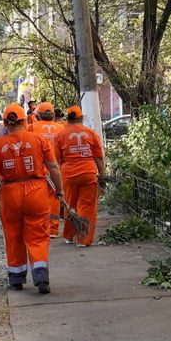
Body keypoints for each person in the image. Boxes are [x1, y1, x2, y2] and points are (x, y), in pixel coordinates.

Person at [0, 103, 63, 293]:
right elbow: (53, 168)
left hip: (10, 194)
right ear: (25, 121)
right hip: (36, 191)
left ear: (5, 123)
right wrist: (59, 190)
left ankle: (16, 279)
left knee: (13, 235)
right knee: (38, 236)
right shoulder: (38, 140)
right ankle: (41, 278)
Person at [57, 106, 107, 247]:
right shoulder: (90, 133)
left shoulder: (60, 135)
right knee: (87, 207)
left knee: (70, 205)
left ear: (68, 118)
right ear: (81, 117)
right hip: (88, 174)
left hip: (68, 175)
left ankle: (68, 236)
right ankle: (84, 240)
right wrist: (102, 176)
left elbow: (55, 160)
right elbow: (99, 158)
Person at [32, 102, 66, 236]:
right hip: (56, 168)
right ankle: (52, 229)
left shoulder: (31, 128)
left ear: (38, 115)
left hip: (37, 169)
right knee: (55, 197)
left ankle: (40, 228)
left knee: (38, 198)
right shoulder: (61, 128)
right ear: (53, 115)